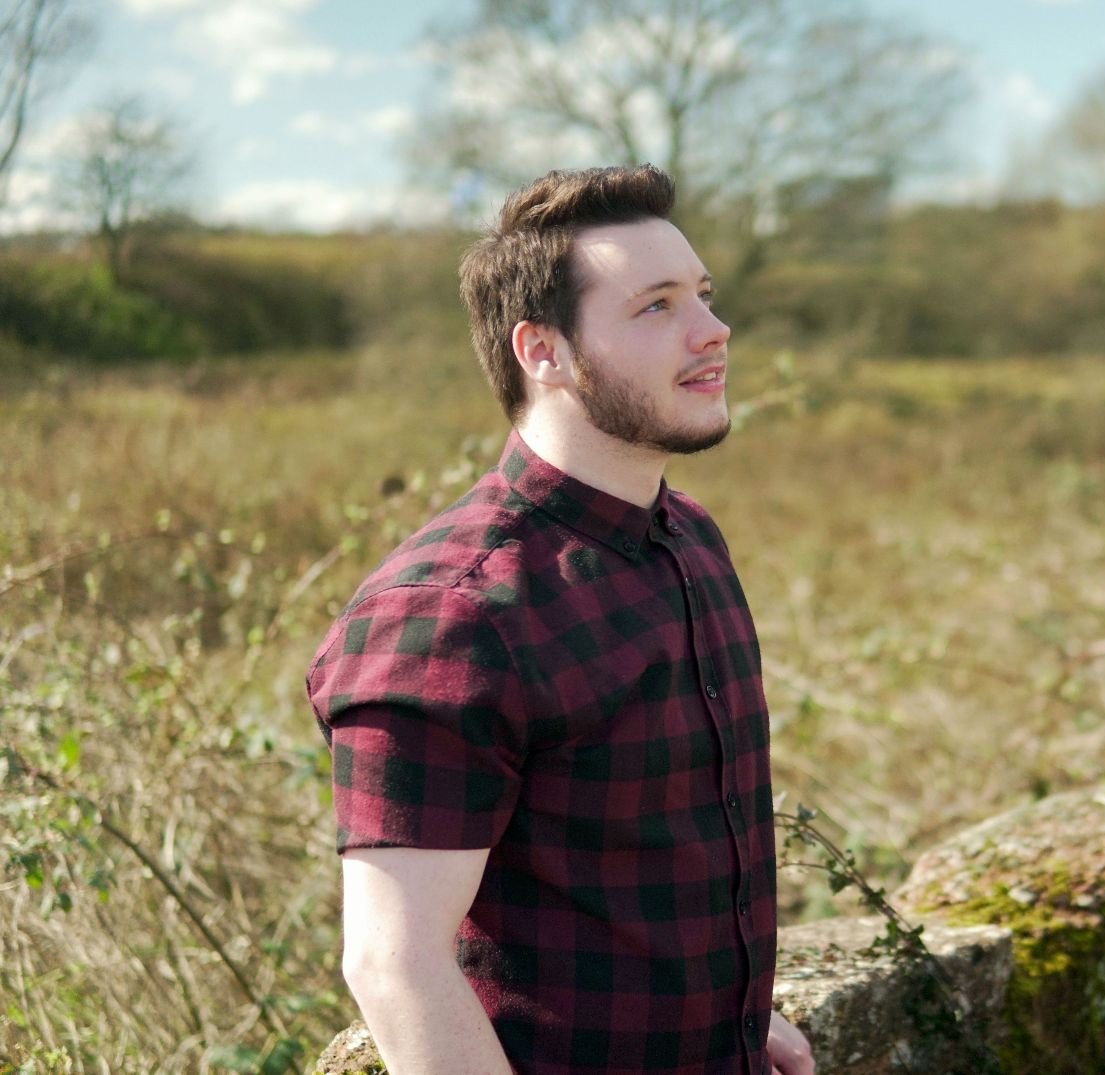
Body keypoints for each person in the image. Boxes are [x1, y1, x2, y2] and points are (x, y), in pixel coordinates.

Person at [306, 164, 813, 1075]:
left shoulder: (688, 538)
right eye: (656, 306)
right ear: (543, 351)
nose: (714, 329)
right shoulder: (445, 617)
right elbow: (393, 962)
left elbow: (640, 863)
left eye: (702, 294)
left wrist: (731, 1018)